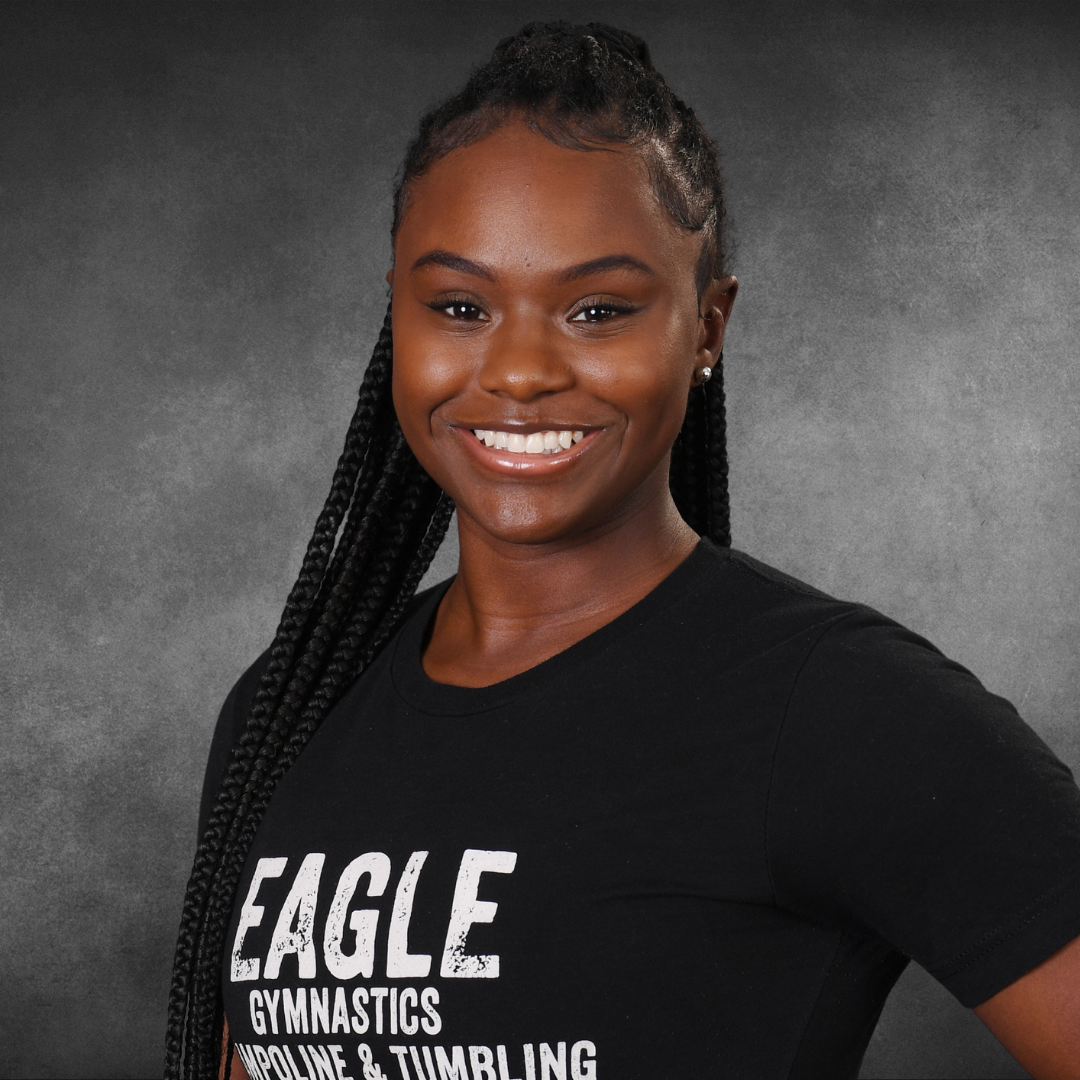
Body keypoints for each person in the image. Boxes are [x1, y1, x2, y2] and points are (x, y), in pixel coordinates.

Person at [166, 21, 1080, 1080]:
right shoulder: (286, 714)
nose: (517, 369)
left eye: (597, 309)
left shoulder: (835, 710)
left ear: (706, 328)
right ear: (396, 323)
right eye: (459, 306)